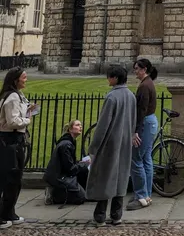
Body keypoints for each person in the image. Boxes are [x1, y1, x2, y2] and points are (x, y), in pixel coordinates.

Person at [86, 65, 136, 227]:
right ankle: (116, 215)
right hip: (125, 142)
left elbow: (102, 126)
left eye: (109, 76)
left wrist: (93, 148)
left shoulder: (112, 97)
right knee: (121, 178)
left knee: (104, 177)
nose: (108, 79)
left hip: (110, 143)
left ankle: (100, 216)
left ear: (115, 78)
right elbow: (133, 121)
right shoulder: (131, 96)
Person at [0, 67, 38, 229]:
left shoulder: (18, 96)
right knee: (7, 179)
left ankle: (9, 212)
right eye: (24, 77)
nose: (26, 79)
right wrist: (27, 120)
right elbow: (12, 122)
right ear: (16, 80)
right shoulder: (12, 97)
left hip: (16, 140)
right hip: (10, 140)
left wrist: (29, 110)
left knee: (15, 179)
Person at [127, 58, 158, 210]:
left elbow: (141, 110)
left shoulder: (145, 86)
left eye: (137, 69)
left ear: (144, 69)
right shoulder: (149, 82)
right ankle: (147, 195)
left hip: (145, 123)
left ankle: (141, 196)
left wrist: (135, 132)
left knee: (136, 159)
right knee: (146, 159)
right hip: (151, 121)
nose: (135, 72)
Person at [43, 120, 90, 206]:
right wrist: (84, 164)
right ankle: (54, 195)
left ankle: (84, 191)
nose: (81, 127)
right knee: (81, 198)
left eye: (81, 125)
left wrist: (81, 163)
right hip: (60, 178)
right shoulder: (66, 145)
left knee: (84, 169)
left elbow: (69, 163)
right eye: (77, 125)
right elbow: (70, 169)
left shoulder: (69, 142)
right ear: (70, 129)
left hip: (62, 174)